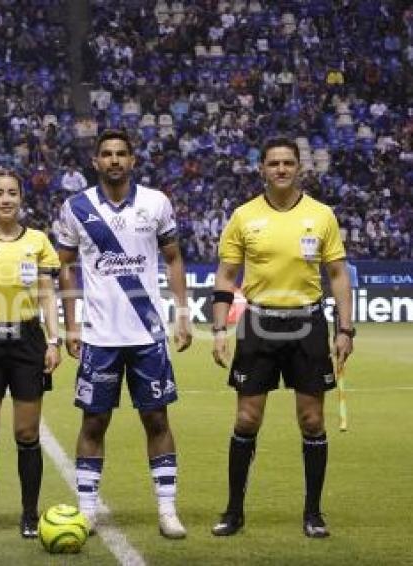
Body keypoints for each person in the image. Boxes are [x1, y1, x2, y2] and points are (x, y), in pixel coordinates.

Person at [209, 137, 354, 538]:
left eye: (288, 163)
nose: (281, 169)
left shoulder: (322, 215)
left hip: (308, 324)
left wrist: (345, 329)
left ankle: (313, 513)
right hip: (258, 324)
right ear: (262, 169)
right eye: (274, 163)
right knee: (246, 418)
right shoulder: (243, 216)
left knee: (311, 420)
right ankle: (234, 512)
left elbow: (339, 274)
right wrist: (219, 328)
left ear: (299, 167)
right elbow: (226, 276)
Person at [55, 129, 192, 539]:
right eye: (106, 154)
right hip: (99, 336)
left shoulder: (156, 203)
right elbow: (63, 266)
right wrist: (72, 322)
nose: (114, 160)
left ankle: (167, 511)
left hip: (147, 333)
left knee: (157, 418)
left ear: (133, 160)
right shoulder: (76, 207)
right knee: (94, 422)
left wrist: (182, 313)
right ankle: (88, 511)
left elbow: (173, 258)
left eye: (121, 154)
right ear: (95, 162)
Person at [0, 168, 62, 539]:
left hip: (28, 342)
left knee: (26, 431)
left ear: (21, 198)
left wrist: (54, 340)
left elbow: (48, 294)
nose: (5, 199)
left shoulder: (38, 241)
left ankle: (30, 515)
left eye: (12, 193)